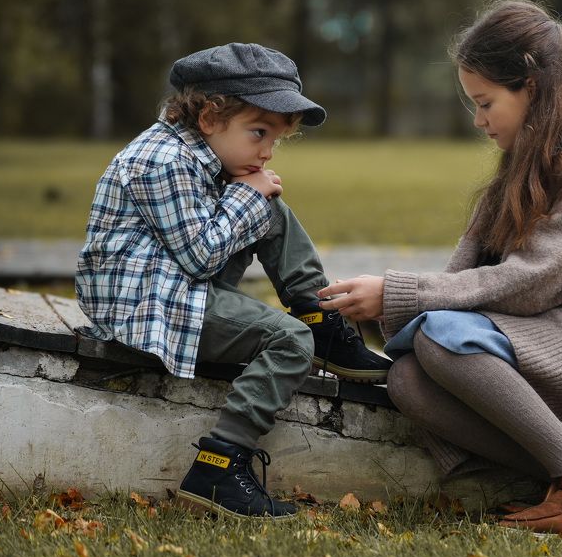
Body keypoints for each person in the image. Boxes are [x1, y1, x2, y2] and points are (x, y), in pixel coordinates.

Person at [317, 0, 562, 535]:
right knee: (409, 379)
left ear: (530, 86)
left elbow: (529, 282)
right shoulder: (524, 161)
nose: (479, 120)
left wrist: (398, 296)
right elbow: (466, 267)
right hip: (549, 333)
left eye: (485, 102)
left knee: (443, 339)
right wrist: (375, 311)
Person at [75, 43, 392, 519]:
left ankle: (320, 319)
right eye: (259, 133)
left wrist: (251, 195)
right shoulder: (161, 161)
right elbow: (200, 257)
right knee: (288, 342)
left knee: (269, 208)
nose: (266, 152)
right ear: (208, 118)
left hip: (174, 281)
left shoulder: (201, 154)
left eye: (275, 140)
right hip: (146, 304)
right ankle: (217, 468)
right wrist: (247, 195)